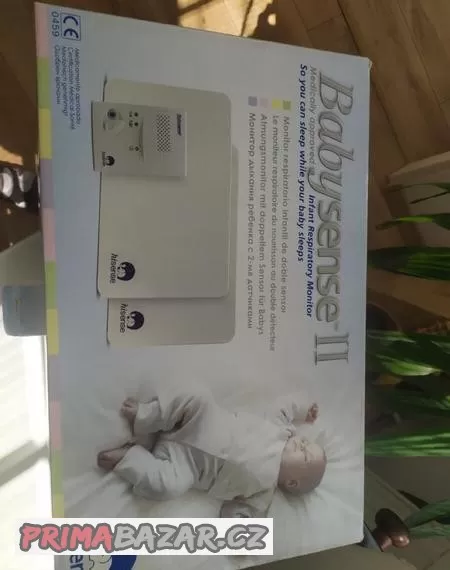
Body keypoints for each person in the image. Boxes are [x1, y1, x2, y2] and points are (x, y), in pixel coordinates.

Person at [97, 387, 326, 517]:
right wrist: (305, 408)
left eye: (305, 455)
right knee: (197, 397)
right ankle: (146, 416)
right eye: (306, 442)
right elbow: (285, 404)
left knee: (167, 487)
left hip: (188, 465)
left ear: (292, 482)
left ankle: (129, 459)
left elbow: (236, 514)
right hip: (200, 421)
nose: (303, 444)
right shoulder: (280, 430)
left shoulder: (263, 494)